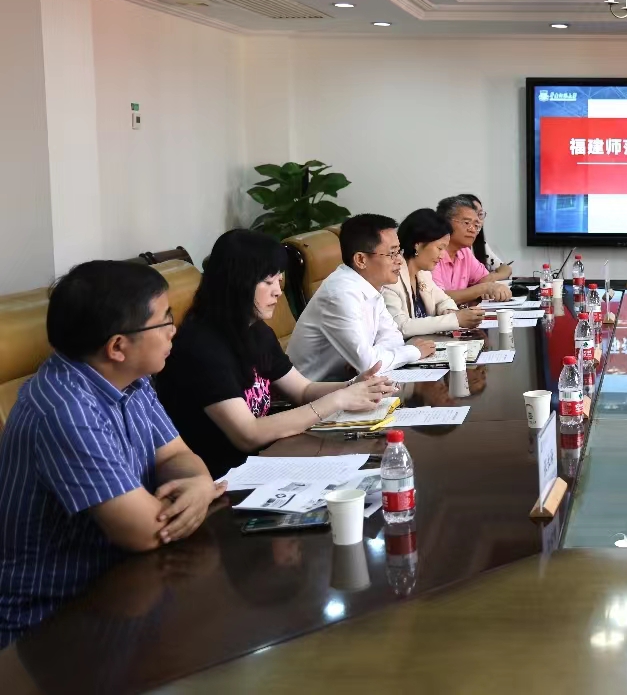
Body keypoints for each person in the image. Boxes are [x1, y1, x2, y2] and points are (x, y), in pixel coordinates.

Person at [0, 261, 223, 647]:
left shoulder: (132, 379)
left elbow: (177, 456)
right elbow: (148, 531)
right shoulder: (65, 411)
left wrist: (200, 484)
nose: (174, 330)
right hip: (50, 624)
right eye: (164, 321)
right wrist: (200, 490)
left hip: (126, 586)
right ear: (118, 346)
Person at [155, 230, 401, 478]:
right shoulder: (200, 347)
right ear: (236, 283)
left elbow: (303, 390)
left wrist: (353, 386)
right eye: (267, 282)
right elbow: (248, 434)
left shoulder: (256, 331)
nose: (278, 292)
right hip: (224, 478)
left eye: (279, 281)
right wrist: (338, 400)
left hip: (268, 460)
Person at [288, 214, 436, 382]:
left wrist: (370, 356)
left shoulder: (371, 285)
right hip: (312, 392)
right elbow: (369, 365)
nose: (400, 261)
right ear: (361, 259)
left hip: (349, 384)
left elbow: (393, 338)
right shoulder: (340, 294)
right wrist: (413, 351)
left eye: (398, 252)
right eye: (392, 253)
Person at [383, 208, 485, 336]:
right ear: (418, 244)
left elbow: (443, 300)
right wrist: (454, 320)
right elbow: (400, 327)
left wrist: (452, 312)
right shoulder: (391, 277)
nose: (442, 255)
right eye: (440, 248)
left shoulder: (422, 274)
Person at [433, 196, 512, 305]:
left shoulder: (464, 252)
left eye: (476, 225)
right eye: (467, 223)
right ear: (446, 223)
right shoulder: (432, 252)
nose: (473, 230)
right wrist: (483, 288)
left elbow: (484, 279)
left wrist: (489, 286)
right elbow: (437, 298)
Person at [457, 193, 512, 278]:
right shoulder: (451, 247)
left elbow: (504, 268)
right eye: (471, 215)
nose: (477, 220)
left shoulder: (479, 244)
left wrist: (490, 277)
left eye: (480, 214)